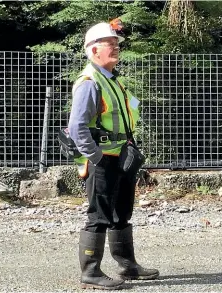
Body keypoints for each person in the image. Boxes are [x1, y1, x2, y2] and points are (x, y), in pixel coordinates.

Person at [68, 20, 159, 290]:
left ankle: (127, 266)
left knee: (122, 213)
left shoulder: (113, 80)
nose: (116, 48)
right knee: (99, 215)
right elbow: (76, 127)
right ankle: (91, 272)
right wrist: (95, 157)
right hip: (103, 159)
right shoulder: (89, 82)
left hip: (121, 156)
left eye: (117, 44)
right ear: (94, 50)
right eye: (111, 44)